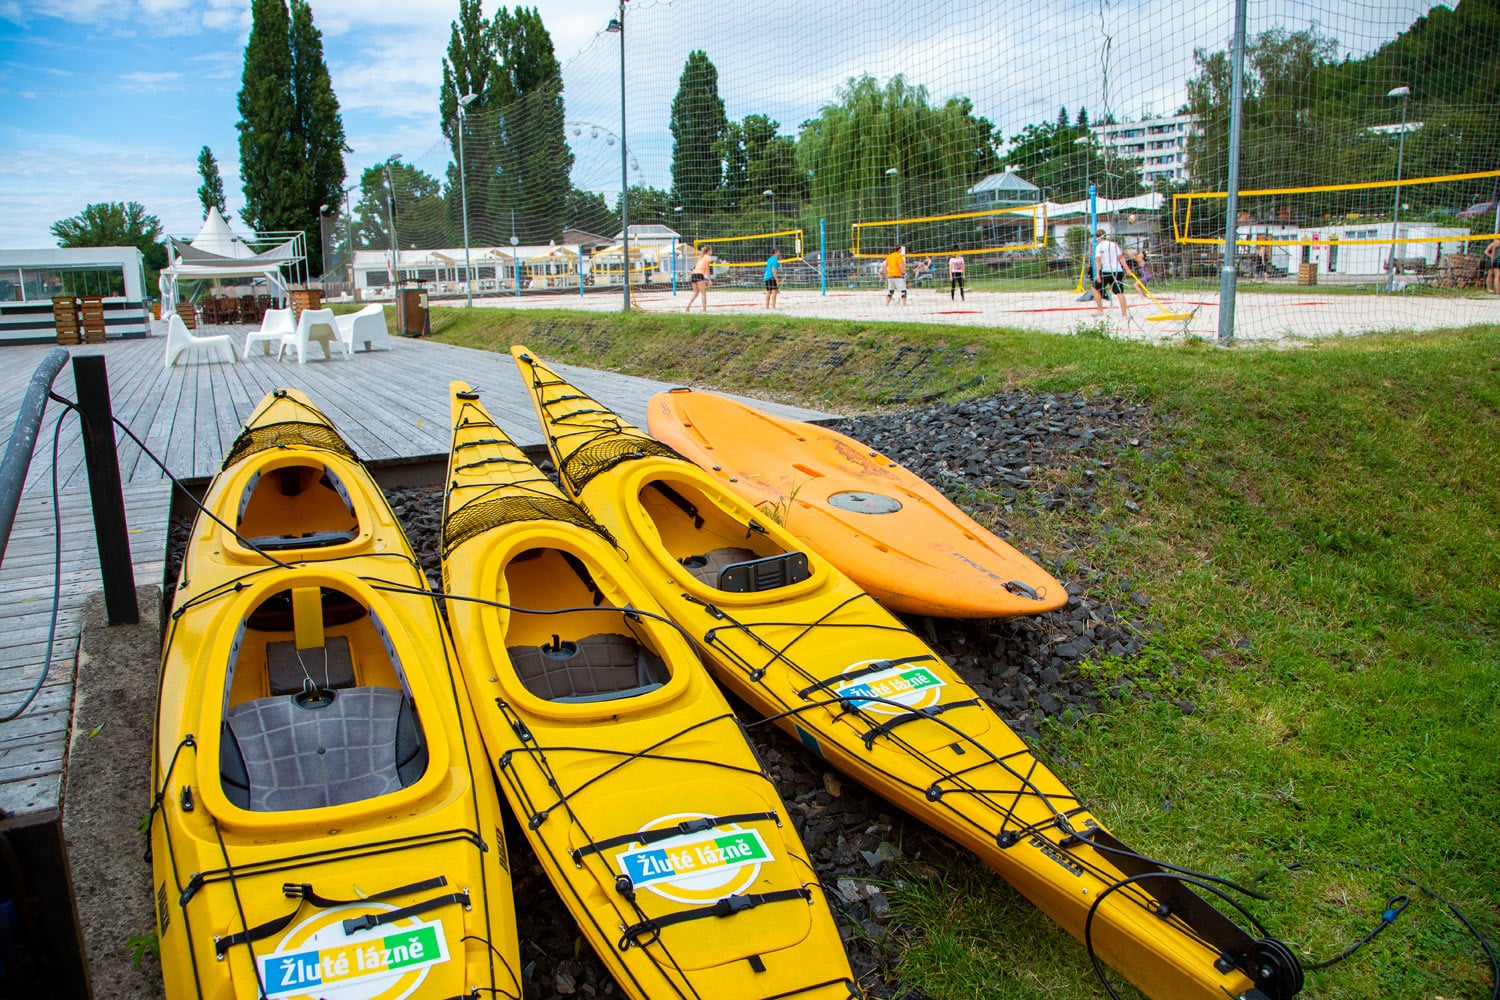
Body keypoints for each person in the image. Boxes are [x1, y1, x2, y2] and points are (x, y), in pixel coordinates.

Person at [1093, 229, 1133, 317]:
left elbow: (1098, 261)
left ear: (1097, 237)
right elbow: (1121, 258)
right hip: (1118, 271)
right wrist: (1127, 269)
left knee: (1095, 289)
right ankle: (1124, 314)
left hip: (1107, 271)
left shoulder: (1099, 247)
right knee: (1119, 293)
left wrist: (1098, 274)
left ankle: (1100, 310)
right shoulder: (1114, 244)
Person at [685, 247, 714, 312]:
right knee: (703, 293)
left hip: (693, 274)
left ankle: (687, 307)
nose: (712, 251)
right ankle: (704, 310)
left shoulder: (701, 258)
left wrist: (706, 281)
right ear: (708, 251)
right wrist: (709, 279)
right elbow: (707, 268)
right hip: (699, 274)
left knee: (696, 293)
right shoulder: (707, 257)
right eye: (711, 250)